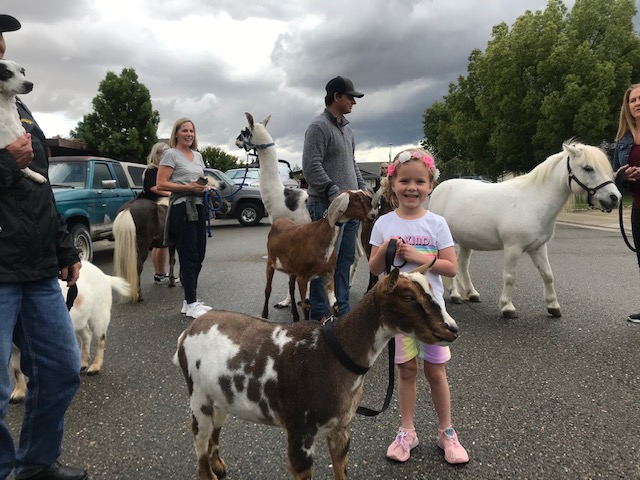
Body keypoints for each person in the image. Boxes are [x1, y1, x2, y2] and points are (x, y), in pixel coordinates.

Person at [0, 13, 89, 480]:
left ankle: (35, 465)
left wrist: (64, 249)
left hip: (34, 267)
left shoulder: (18, 103)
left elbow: (40, 187)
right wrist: (3, 164)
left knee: (59, 370)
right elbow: (13, 170)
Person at [369, 148, 469, 465]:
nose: (412, 188)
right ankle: (407, 431)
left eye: (420, 182)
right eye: (404, 181)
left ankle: (446, 432)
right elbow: (374, 270)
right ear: (392, 185)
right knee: (407, 370)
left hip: (431, 314)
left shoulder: (437, 223)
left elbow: (451, 267)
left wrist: (418, 258)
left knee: (435, 372)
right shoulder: (383, 224)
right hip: (400, 318)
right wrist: (386, 248)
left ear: (430, 186)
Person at [302, 76, 370, 321]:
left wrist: (362, 188)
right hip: (326, 207)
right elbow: (310, 166)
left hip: (351, 208)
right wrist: (335, 192)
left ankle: (342, 309)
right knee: (324, 264)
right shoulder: (318, 127)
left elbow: (351, 164)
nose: (354, 101)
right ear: (336, 97)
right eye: (350, 96)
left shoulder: (347, 130)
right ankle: (320, 314)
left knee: (345, 261)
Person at [157, 118, 211, 319]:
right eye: (185, 130)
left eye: (192, 131)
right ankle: (191, 302)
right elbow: (161, 183)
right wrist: (187, 188)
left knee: (199, 256)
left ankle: (190, 300)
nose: (189, 134)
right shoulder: (171, 155)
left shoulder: (198, 156)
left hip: (199, 207)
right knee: (188, 256)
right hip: (182, 208)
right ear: (177, 133)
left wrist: (207, 188)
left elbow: (198, 182)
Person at [613, 82, 640, 324]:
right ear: (628, 107)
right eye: (633, 100)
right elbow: (612, 175)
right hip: (638, 207)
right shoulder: (623, 140)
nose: (637, 103)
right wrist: (624, 175)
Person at [138, 142, 173, 285]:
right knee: (163, 242)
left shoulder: (159, 169)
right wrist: (171, 193)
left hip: (155, 203)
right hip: (155, 204)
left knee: (158, 245)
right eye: (164, 154)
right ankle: (160, 272)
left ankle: (159, 273)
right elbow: (152, 187)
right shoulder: (152, 170)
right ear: (157, 154)